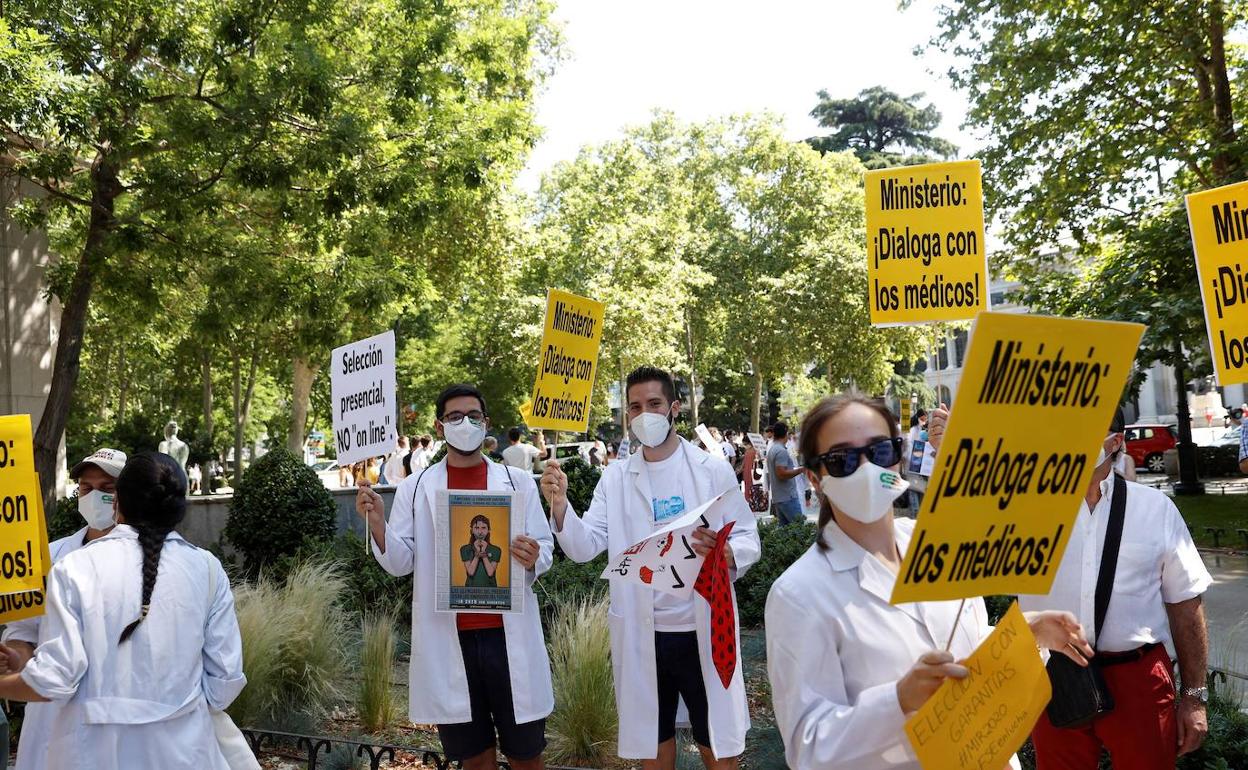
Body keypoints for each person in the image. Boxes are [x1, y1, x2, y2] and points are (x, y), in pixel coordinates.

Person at [765, 395, 1092, 769]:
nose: (868, 468)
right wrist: (898, 700)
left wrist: (1024, 634)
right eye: (843, 460)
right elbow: (808, 749)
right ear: (814, 478)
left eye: (880, 450)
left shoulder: (938, 545)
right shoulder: (799, 595)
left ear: (898, 457)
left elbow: (960, 646)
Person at [929, 405, 1213, 768]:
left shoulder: (1155, 511)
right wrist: (951, 452)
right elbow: (962, 523)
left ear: (1115, 442)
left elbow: (1186, 603)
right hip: (1053, 673)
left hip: (1137, 678)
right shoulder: (1023, 507)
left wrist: (1194, 698)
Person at [540, 366, 760, 770]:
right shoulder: (617, 478)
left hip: (702, 631)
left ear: (675, 407)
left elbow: (748, 537)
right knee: (654, 747)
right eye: (636, 407)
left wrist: (728, 553)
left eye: (654, 404)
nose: (645, 414)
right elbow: (585, 546)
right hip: (644, 636)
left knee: (717, 746)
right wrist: (560, 506)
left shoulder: (709, 470)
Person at [0, 452, 246, 769]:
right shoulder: (207, 569)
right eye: (86, 486)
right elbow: (224, 684)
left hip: (91, 753)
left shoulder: (74, 568)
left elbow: (55, 678)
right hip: (185, 754)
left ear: (118, 504)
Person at [356, 384, 553, 770]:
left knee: (526, 755)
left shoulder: (517, 482)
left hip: (507, 639)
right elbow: (401, 560)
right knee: (473, 758)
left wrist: (533, 557)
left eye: (473, 416)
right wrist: (378, 524)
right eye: (454, 417)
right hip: (451, 642)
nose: (465, 424)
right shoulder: (416, 488)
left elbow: (544, 547)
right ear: (440, 426)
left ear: (487, 423)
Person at [0, 448, 126, 770]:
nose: (94, 496)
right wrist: (15, 660)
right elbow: (24, 634)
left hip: (118, 725)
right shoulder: (51, 555)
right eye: (86, 487)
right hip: (51, 723)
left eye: (107, 489)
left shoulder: (149, 560)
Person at [767, 422, 805, 524]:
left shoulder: (773, 449)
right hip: (788, 497)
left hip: (779, 497)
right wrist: (800, 470)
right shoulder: (781, 451)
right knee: (799, 528)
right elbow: (781, 473)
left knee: (785, 533)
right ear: (786, 434)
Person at [462, 515, 502, 587]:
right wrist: (477, 554)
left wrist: (483, 552)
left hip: (491, 591)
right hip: (470, 591)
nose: (480, 532)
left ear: (488, 530)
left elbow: (490, 573)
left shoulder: (496, 550)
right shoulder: (465, 549)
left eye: (483, 528)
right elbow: (470, 572)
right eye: (477, 528)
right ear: (471, 530)